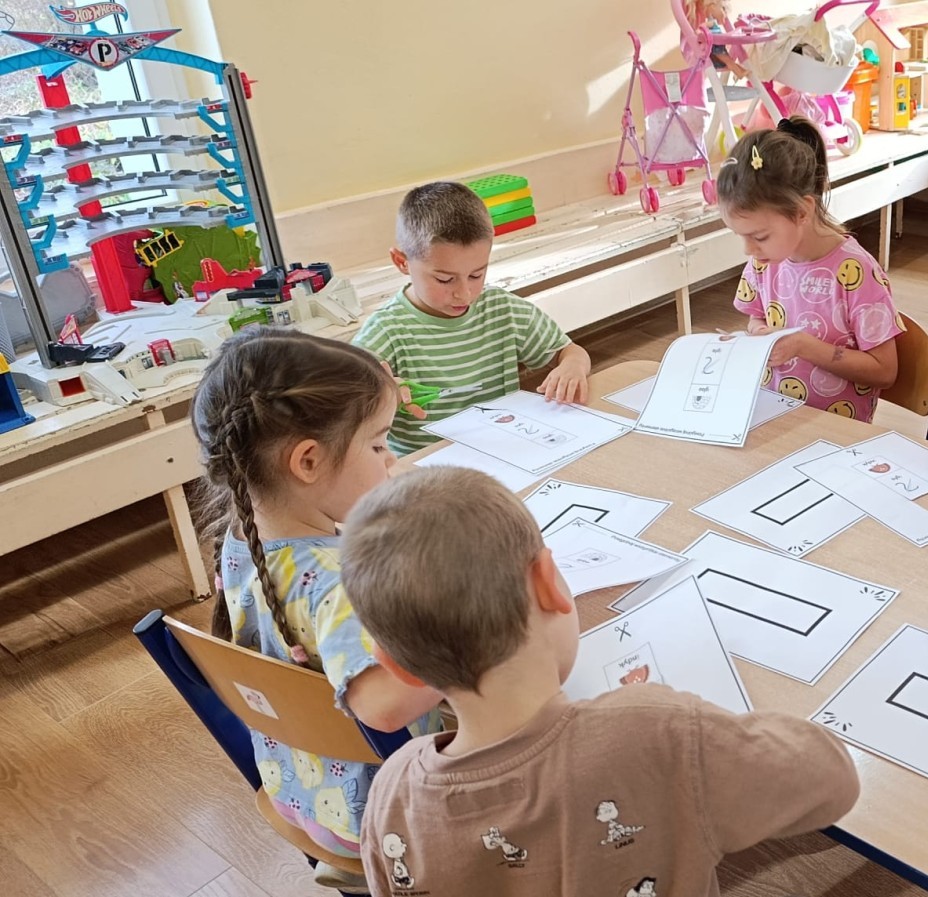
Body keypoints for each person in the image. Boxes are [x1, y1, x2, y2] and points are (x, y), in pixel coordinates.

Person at [342, 466, 860, 897]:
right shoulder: (659, 732)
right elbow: (832, 780)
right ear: (549, 583)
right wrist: (701, 727)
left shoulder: (392, 793)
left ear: (397, 665)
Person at [190, 328, 444, 891]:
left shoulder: (243, 537)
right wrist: (475, 637)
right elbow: (384, 708)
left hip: (298, 787)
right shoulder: (338, 583)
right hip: (378, 814)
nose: (391, 458)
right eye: (377, 445)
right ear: (307, 461)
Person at [354, 181, 591, 455]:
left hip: (503, 451)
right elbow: (340, 402)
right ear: (402, 262)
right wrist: (380, 397)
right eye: (445, 279)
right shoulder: (386, 330)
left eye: (477, 275)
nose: (464, 294)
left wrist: (573, 366)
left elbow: (570, 351)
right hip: (425, 468)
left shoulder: (502, 309)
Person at [719, 118, 902, 422]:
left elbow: (885, 371)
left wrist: (804, 346)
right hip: (773, 417)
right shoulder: (765, 261)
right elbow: (756, 316)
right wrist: (760, 333)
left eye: (759, 236)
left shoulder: (855, 272)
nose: (748, 249)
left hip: (835, 433)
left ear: (801, 211)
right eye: (740, 235)